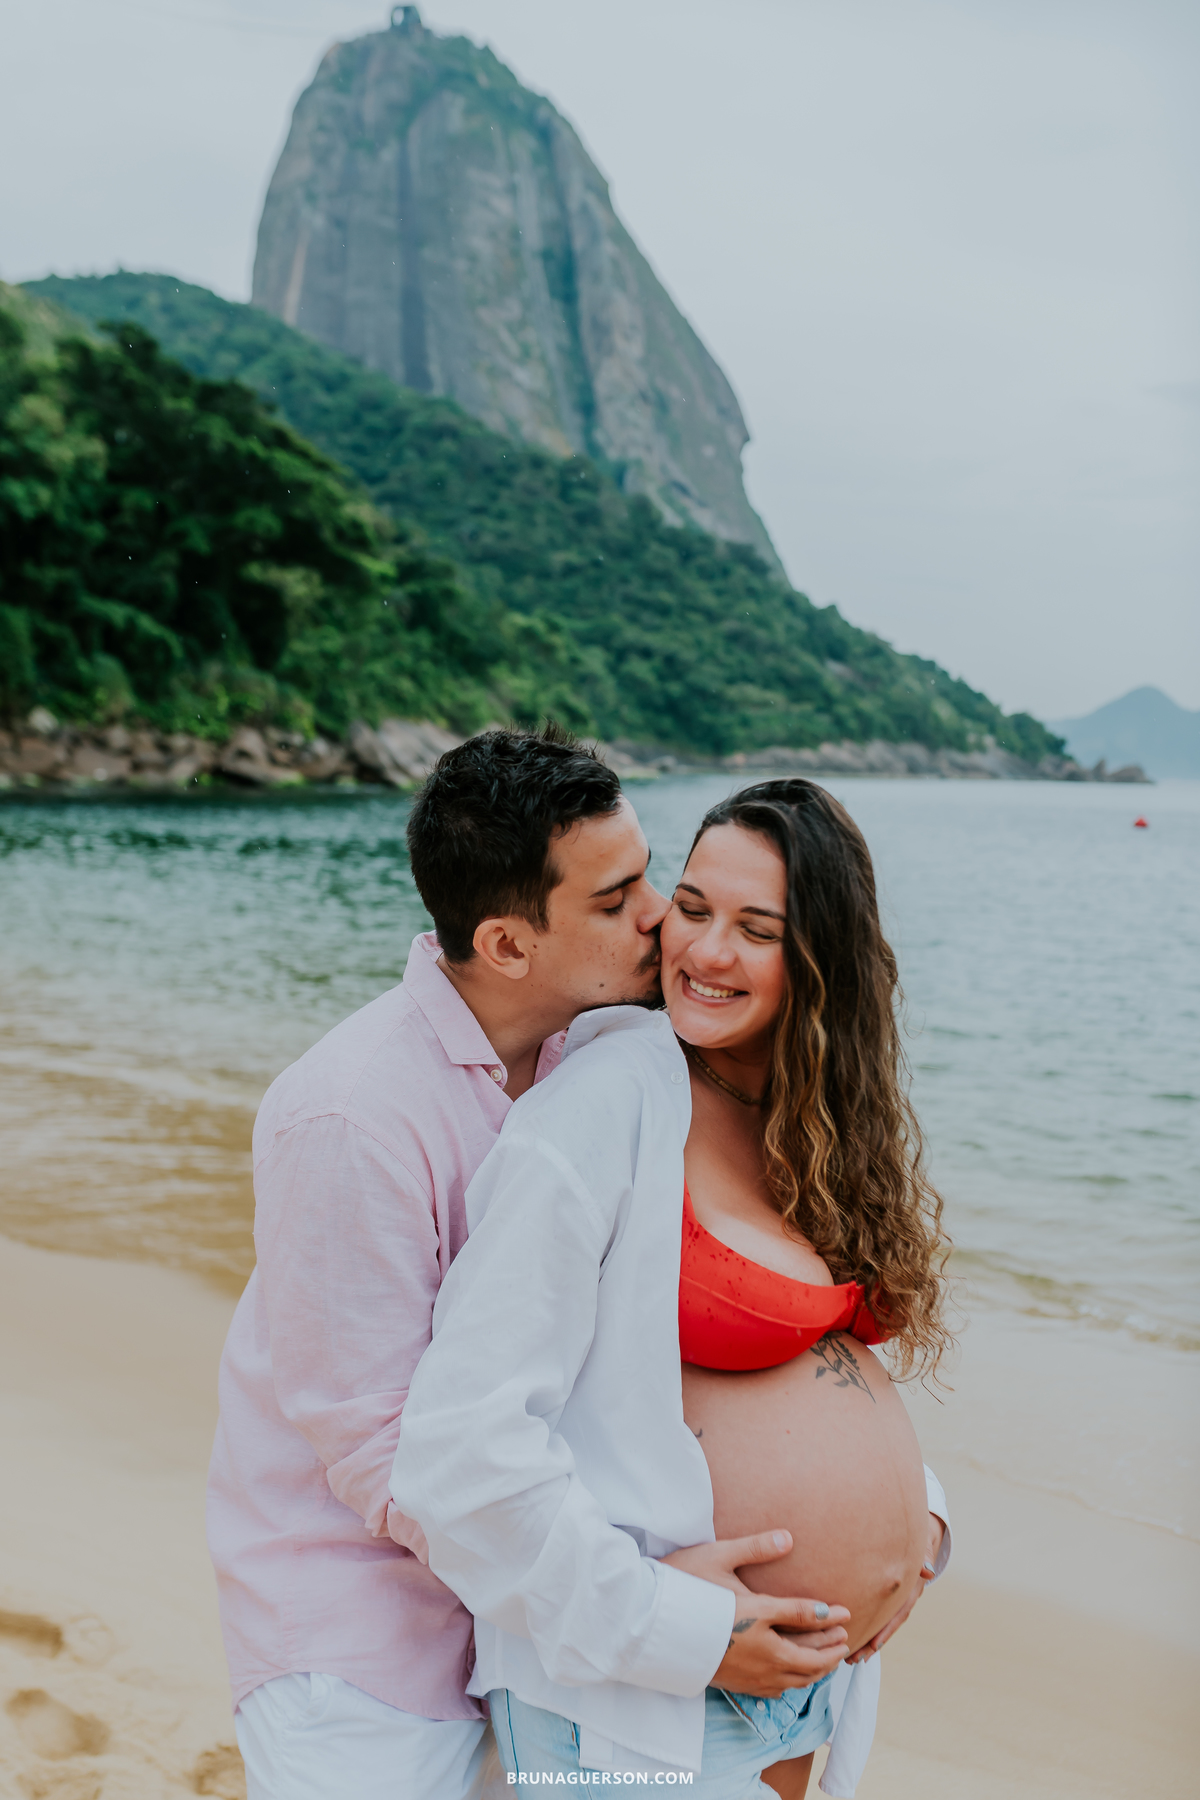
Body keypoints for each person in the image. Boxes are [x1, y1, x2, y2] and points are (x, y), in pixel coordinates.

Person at [206, 729, 841, 1800]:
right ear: (506, 945)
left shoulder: (603, 1051)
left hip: (540, 1629)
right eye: (616, 900)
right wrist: (639, 1597)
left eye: (648, 876)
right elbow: (382, 1450)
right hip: (364, 1651)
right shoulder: (349, 1117)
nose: (660, 916)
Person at [392, 778, 952, 1799]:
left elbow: (823, 1368)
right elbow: (459, 1452)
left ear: (824, 959)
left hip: (798, 1686)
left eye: (757, 930)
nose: (705, 952)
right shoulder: (599, 1111)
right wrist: (679, 1627)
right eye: (692, 909)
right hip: (641, 1693)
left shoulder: (817, 1128)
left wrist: (921, 1528)